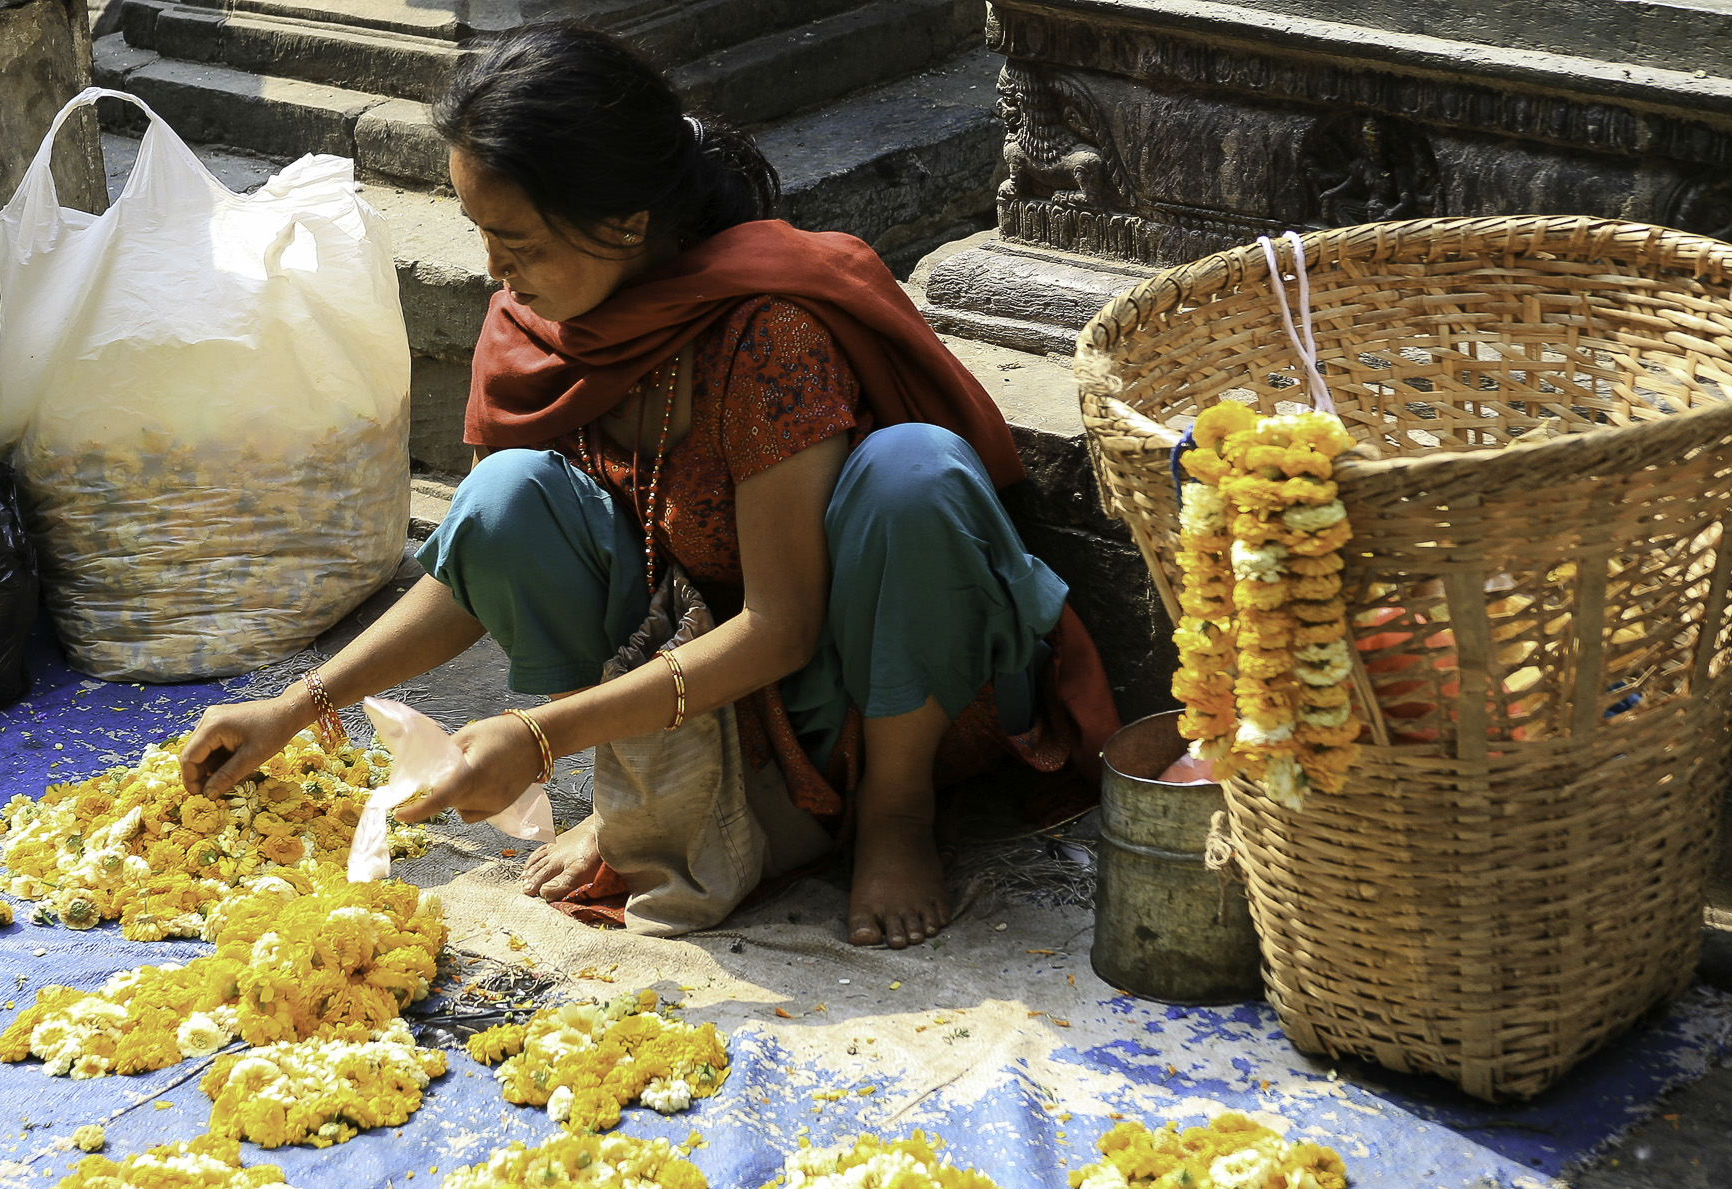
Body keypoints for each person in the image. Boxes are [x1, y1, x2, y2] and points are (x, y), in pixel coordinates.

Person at [178, 24, 1118, 950]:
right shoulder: (542, 331)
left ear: (627, 224)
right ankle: (638, 798)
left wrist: (538, 736)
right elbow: (472, 566)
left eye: (517, 242)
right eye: (481, 235)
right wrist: (294, 710)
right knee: (507, 495)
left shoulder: (763, 332)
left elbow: (783, 628)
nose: (494, 271)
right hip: (692, 695)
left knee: (912, 475)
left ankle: (896, 813)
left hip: (853, 684)